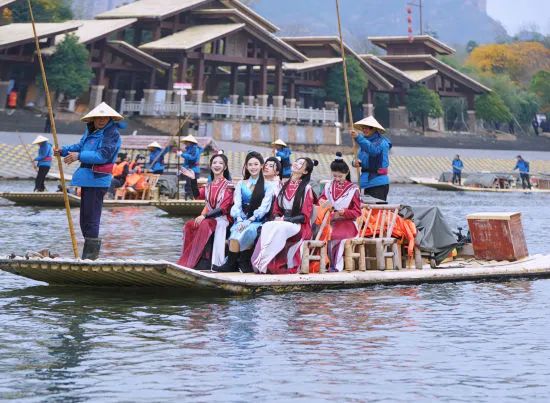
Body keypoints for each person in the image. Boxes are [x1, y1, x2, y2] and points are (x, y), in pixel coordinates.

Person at [55, 102, 123, 260]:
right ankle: (87, 256)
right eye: (98, 117)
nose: (101, 120)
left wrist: (78, 156)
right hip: (87, 179)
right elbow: (80, 146)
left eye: (104, 117)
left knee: (92, 218)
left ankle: (90, 257)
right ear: (93, 119)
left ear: (109, 118)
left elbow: (102, 156)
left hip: (97, 180)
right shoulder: (91, 130)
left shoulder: (112, 134)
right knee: (84, 218)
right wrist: (63, 151)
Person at [252, 157, 318, 274]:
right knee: (267, 225)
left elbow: (305, 216)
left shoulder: (307, 189)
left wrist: (286, 219)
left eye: (301, 164)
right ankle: (263, 261)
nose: (297, 164)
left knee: (279, 227)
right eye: (297, 161)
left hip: (299, 226)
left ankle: (264, 262)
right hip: (283, 222)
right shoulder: (284, 185)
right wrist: (277, 216)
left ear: (305, 172)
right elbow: (276, 208)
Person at [213, 151, 275, 273]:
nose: (253, 167)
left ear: (262, 165)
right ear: (246, 166)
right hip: (241, 219)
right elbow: (237, 204)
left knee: (248, 229)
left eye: (256, 164)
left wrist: (249, 221)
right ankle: (232, 263)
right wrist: (240, 219)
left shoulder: (268, 185)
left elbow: (264, 208)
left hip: (258, 220)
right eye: (250, 164)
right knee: (236, 229)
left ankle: (241, 261)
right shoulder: (241, 184)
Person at [178, 151, 234, 270]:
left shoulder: (228, 186)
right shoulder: (208, 186)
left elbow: (223, 209)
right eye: (214, 162)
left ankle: (203, 259)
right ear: (211, 165)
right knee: (189, 225)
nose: (217, 165)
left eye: (220, 163)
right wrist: (193, 179)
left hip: (223, 220)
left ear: (225, 167)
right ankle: (189, 258)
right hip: (210, 218)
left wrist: (204, 216)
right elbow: (197, 196)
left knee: (204, 223)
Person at [317, 153, 361, 272]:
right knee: (318, 233)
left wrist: (344, 212)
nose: (337, 179)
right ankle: (320, 265)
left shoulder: (353, 189)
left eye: (340, 176)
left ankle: (334, 266)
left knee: (334, 236)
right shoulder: (328, 186)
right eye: (335, 176)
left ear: (346, 173)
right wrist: (322, 201)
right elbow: (320, 199)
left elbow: (357, 212)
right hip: (330, 220)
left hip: (347, 223)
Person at [351, 116, 392, 201]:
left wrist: (358, 138)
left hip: (378, 183)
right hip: (366, 182)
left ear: (375, 129)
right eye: (363, 128)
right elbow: (359, 158)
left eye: (369, 128)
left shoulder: (382, 142)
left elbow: (373, 151)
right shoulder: (364, 143)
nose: (365, 130)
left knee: (376, 211)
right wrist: (355, 162)